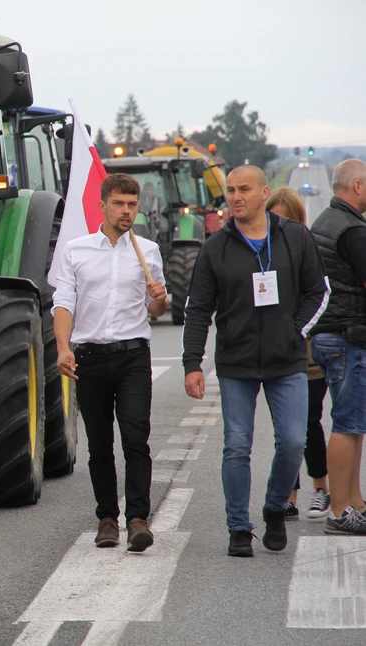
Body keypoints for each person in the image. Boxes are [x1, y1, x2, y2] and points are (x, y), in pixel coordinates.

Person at [182, 165, 329, 557]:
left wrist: (295, 330)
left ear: (264, 192)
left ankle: (275, 507)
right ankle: (238, 528)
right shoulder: (216, 246)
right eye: (230, 190)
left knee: (294, 441)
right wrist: (191, 363)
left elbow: (319, 291)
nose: (235, 197)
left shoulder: (295, 237)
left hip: (287, 361)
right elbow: (197, 309)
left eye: (244, 189)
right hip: (236, 362)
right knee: (237, 445)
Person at [53, 173, 169, 553]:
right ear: (102, 205)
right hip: (89, 355)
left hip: (133, 354)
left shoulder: (147, 250)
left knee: (136, 439)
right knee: (100, 445)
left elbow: (156, 309)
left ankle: (138, 518)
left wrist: (160, 298)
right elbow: (64, 302)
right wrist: (62, 347)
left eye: (132, 205)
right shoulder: (76, 250)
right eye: (119, 203)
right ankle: (107, 518)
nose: (126, 211)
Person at [308, 158, 366, 535]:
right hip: (348, 334)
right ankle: (341, 510)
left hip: (329, 333)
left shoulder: (325, 222)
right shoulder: (352, 229)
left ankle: (356, 502)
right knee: (347, 424)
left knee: (354, 423)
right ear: (358, 186)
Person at [265, 187, 331, 520]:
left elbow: (320, 295)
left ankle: (320, 487)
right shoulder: (259, 252)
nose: (277, 226)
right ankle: (288, 495)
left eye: (284, 219)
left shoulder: (308, 248)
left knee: (307, 421)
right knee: (284, 429)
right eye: (272, 218)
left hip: (306, 350)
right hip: (273, 352)